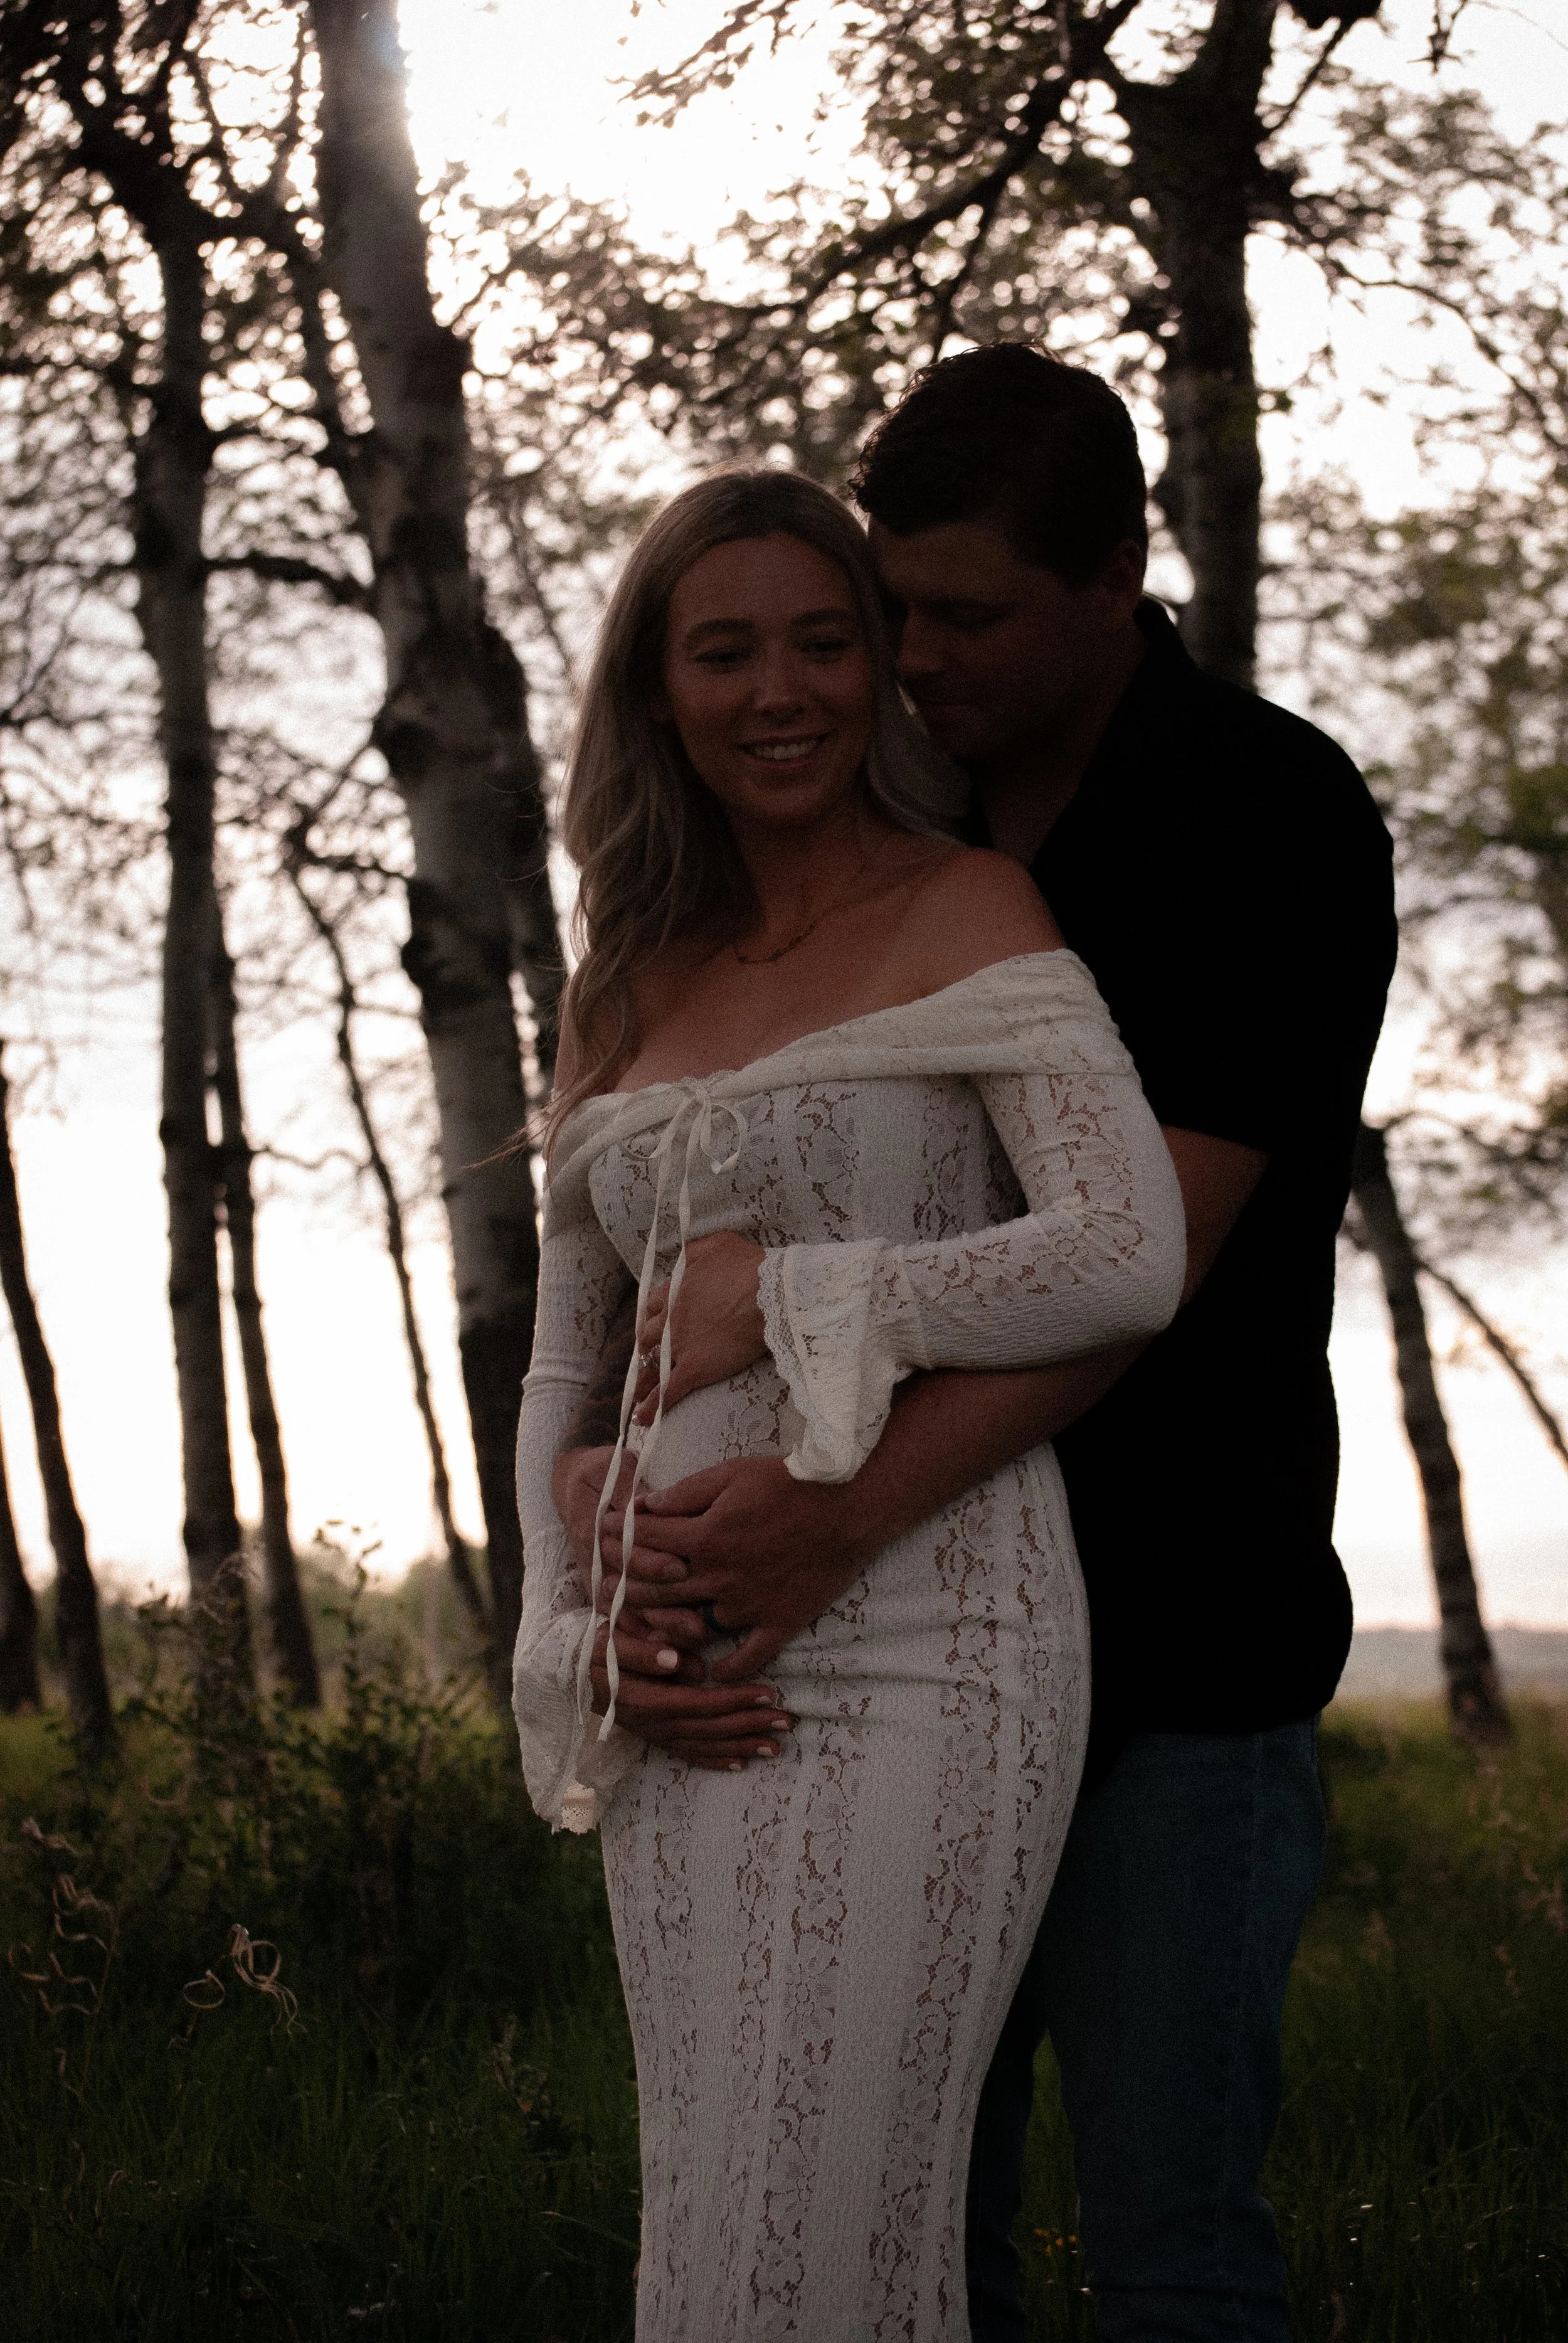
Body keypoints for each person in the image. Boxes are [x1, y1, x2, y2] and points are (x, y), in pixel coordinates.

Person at [554, 350, 1398, 2343]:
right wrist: (619, 1491)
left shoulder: (1260, 812)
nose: (913, 659)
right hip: (853, 1624)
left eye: (967, 617)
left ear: (1118, 580)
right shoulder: (890, 805)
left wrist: (817, 1521)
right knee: (904, 2219)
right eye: (895, 608)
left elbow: (1148, 1261)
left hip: (1170, 1629)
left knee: (1167, 2239)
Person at [511, 463, 1187, 2342]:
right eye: (721, 651)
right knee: (711, 2228)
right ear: (657, 690)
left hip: (929, 1640)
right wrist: (568, 1628)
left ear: (878, 670)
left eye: (822, 640)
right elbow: (573, 1363)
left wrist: (801, 1291)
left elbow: (1123, 1250)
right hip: (671, 1671)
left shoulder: (971, 906)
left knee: (825, 2226)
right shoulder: (624, 976)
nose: (778, 688)